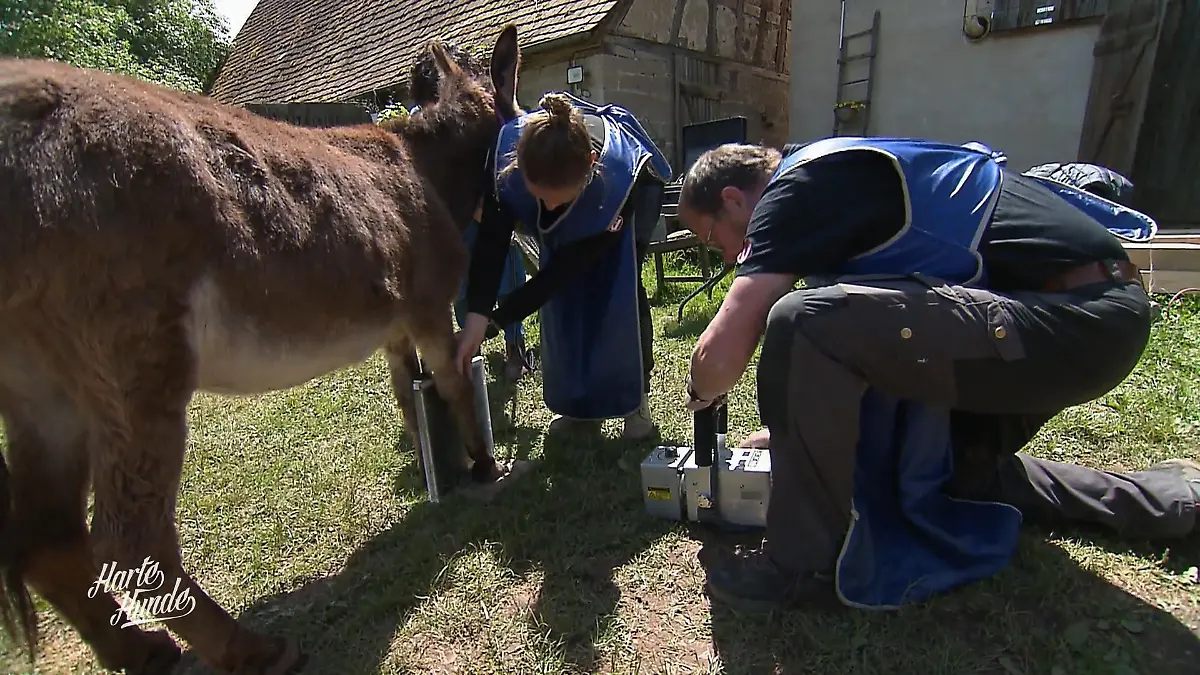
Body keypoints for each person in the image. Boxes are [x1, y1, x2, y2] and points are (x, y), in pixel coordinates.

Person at [675, 137, 1200, 613]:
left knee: (799, 319)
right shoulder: (841, 189)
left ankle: (799, 566)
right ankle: (1172, 500)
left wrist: (701, 392)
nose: (722, 253)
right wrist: (793, 432)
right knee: (949, 474)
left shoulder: (797, 184)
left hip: (1072, 317)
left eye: (711, 236)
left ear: (734, 200)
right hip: (1086, 321)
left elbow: (725, 350)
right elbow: (883, 335)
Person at [455, 91, 673, 440]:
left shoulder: (614, 182)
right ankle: (580, 404)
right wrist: (477, 318)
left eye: (558, 199)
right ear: (518, 167)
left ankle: (634, 398)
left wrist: (499, 319)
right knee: (564, 304)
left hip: (631, 192)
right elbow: (492, 246)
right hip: (579, 196)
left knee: (616, 290)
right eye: (540, 197)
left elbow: (562, 272)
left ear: (589, 163)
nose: (549, 206)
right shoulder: (511, 165)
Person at [406, 43, 533, 382]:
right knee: (462, 287)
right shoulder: (427, 133)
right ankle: (470, 348)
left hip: (489, 214)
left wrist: (487, 209)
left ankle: (514, 348)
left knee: (507, 277)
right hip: (456, 226)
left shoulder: (480, 116)